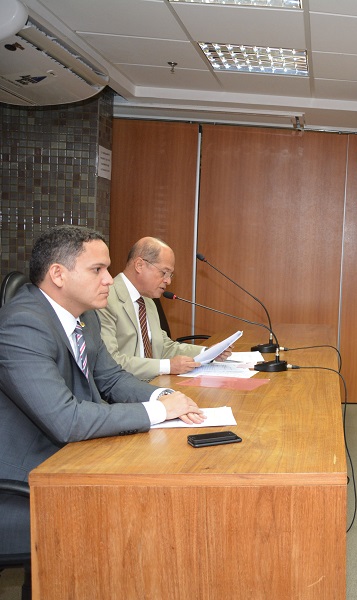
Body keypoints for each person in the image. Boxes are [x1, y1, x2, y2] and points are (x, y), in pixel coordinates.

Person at [0, 225, 205, 557]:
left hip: (76, 458)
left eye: (107, 269)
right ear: (58, 275)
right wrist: (158, 411)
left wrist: (163, 397)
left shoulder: (85, 317)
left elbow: (111, 379)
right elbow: (66, 419)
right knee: (143, 522)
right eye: (97, 269)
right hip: (28, 483)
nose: (109, 279)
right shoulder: (22, 325)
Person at [98, 236, 228, 380]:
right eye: (164, 273)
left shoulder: (147, 301)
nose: (168, 281)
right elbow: (110, 362)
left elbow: (164, 346)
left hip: (154, 382)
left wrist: (207, 352)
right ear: (139, 265)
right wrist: (168, 366)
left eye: (170, 275)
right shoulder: (105, 299)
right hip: (123, 387)